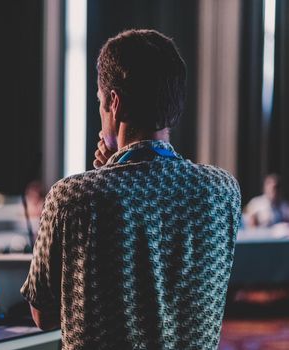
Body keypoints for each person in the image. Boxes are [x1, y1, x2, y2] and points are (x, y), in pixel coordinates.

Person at [21, 29, 242, 349]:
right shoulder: (223, 191)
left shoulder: (73, 198)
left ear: (114, 102)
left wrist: (111, 171)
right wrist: (116, 166)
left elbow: (44, 316)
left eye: (100, 101)